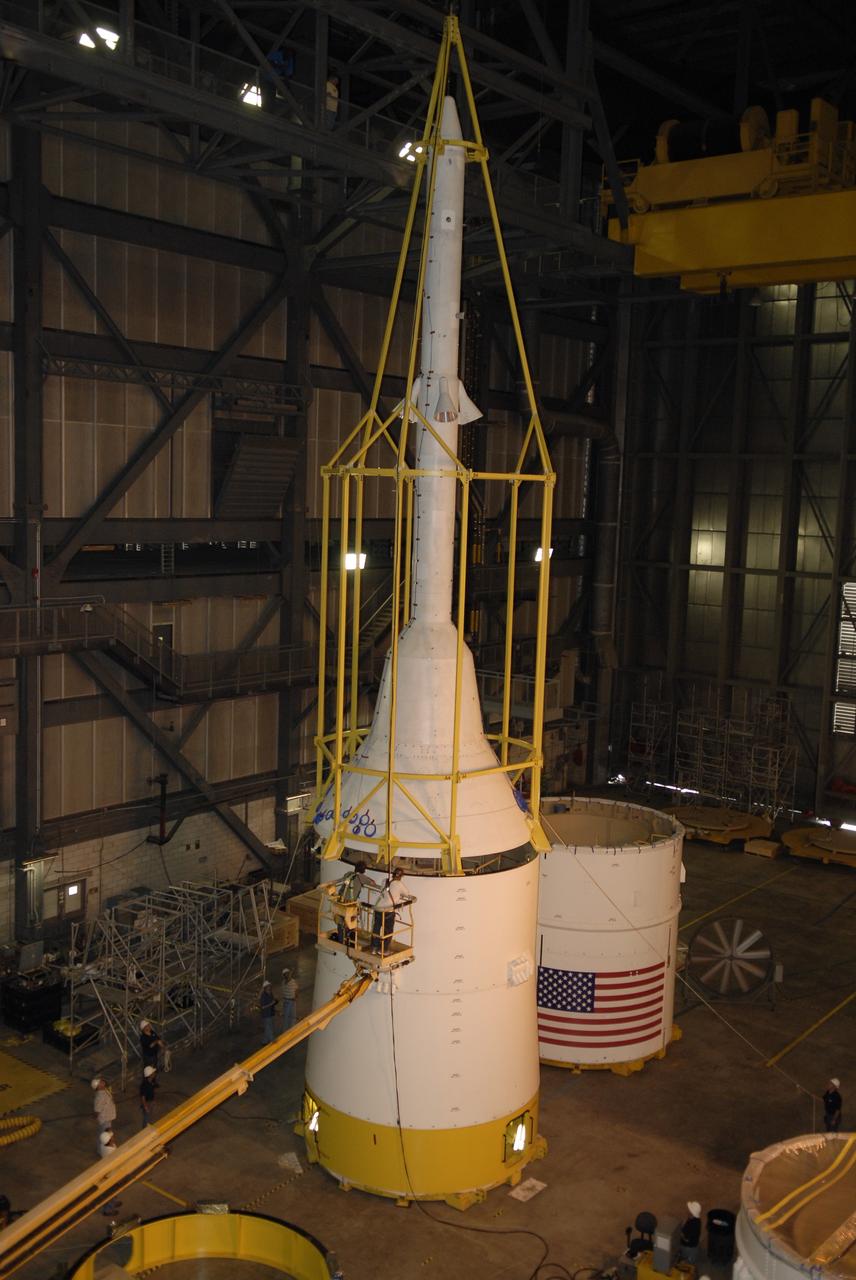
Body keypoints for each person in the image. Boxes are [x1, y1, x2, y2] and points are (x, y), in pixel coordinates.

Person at [371, 867, 416, 956]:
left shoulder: (385, 881)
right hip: (388, 910)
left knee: (376, 928)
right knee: (388, 930)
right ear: (401, 876)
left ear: (393, 874)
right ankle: (383, 950)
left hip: (378, 908)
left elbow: (383, 891)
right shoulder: (399, 884)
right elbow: (407, 893)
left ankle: (374, 948)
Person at [338, 860, 374, 944]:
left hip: (341, 900)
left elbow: (343, 880)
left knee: (341, 921)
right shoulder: (362, 877)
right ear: (363, 870)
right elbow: (372, 883)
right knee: (350, 922)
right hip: (350, 903)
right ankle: (348, 940)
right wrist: (368, 878)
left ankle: (340, 940)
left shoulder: (349, 874)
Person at [98, 1131, 123, 1215]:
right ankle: (107, 1210)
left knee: (114, 1190)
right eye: (111, 1138)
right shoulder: (110, 1151)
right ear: (109, 1141)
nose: (113, 1137)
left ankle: (114, 1202)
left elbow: (110, 1135)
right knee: (110, 1191)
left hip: (112, 1171)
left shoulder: (104, 1145)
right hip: (111, 1174)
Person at [139, 1064, 158, 1128]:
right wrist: (145, 1107)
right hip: (147, 1103)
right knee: (146, 1119)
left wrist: (153, 1101)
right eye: (153, 1073)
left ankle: (149, 1127)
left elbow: (153, 1091)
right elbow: (143, 1097)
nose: (154, 1074)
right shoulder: (144, 1085)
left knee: (150, 1117)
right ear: (150, 1075)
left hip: (151, 1102)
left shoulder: (151, 1081)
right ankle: (144, 1130)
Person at [260, 979, 277, 1043]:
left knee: (270, 1027)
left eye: (269, 986)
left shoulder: (270, 993)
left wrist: (275, 1002)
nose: (269, 987)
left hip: (271, 1013)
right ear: (265, 988)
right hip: (266, 1014)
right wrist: (271, 1003)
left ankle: (265, 1041)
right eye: (268, 986)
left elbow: (272, 1001)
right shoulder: (263, 996)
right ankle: (272, 1040)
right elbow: (263, 1007)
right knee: (269, 1028)